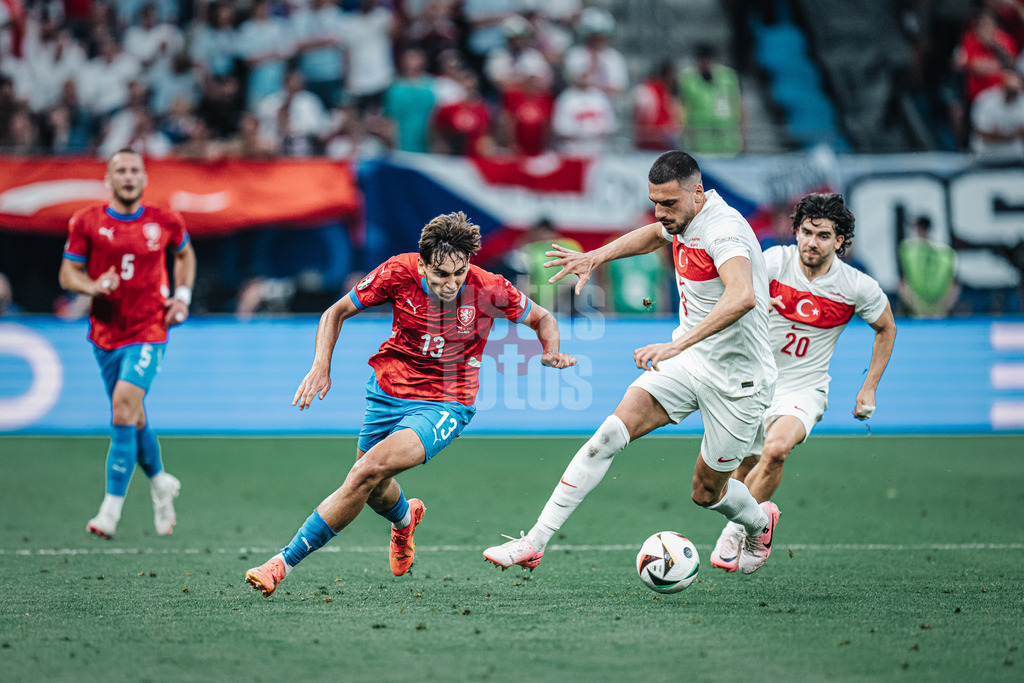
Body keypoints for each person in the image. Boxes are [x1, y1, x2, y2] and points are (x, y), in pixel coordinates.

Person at [244, 211, 577, 597]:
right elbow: (336, 312)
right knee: (374, 487)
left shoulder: (489, 287)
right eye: (441, 274)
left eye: (459, 273)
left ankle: (281, 563)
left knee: (365, 472)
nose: (452, 283)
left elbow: (543, 318)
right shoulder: (397, 272)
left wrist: (550, 350)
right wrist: (321, 365)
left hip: (447, 402)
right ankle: (405, 519)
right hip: (387, 390)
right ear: (422, 264)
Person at [483, 150, 781, 577]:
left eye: (669, 203)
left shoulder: (725, 231)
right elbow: (655, 235)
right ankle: (534, 541)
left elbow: (742, 296)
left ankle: (759, 523)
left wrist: (677, 345)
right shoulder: (681, 218)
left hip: (739, 380)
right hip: (689, 361)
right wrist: (596, 256)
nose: (660, 213)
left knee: (706, 492)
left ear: (698, 193)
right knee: (606, 437)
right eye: (655, 202)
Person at [709, 193, 896, 571]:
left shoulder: (856, 286)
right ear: (796, 231)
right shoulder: (774, 262)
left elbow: (886, 327)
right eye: (807, 232)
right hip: (753, 383)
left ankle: (736, 532)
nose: (813, 242)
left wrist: (869, 386)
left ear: (839, 241)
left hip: (804, 389)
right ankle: (760, 524)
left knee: (776, 450)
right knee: (740, 470)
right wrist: (756, 304)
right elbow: (732, 295)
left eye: (824, 236)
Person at [58, 148, 196, 539]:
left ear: (145, 178)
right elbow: (68, 274)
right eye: (121, 170)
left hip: (150, 328)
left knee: (122, 405)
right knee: (132, 414)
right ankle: (160, 483)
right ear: (108, 179)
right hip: (105, 332)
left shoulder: (165, 220)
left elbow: (185, 255)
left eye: (135, 170)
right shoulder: (86, 221)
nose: (129, 176)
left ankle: (110, 511)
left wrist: (182, 297)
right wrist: (93, 286)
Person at [897, 215, 959, 318]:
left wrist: (916, 305)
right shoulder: (947, 254)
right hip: (938, 311)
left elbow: (901, 283)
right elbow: (955, 285)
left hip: (921, 310)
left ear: (917, 229)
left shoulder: (907, 252)